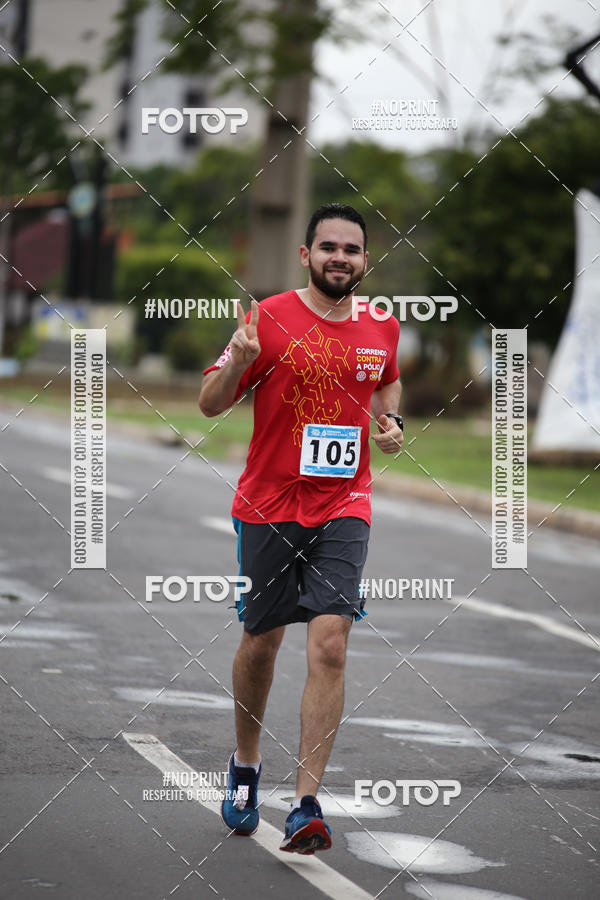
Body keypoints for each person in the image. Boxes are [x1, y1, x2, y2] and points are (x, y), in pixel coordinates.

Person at [198, 202, 403, 854]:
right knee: (261, 645)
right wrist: (238, 362)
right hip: (269, 505)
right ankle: (246, 764)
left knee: (332, 645)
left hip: (345, 504)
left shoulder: (382, 326)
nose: (340, 257)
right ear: (306, 255)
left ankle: (306, 804)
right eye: (329, 247)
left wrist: (392, 424)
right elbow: (209, 403)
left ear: (366, 260)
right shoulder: (267, 319)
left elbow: (386, 381)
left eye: (352, 249)